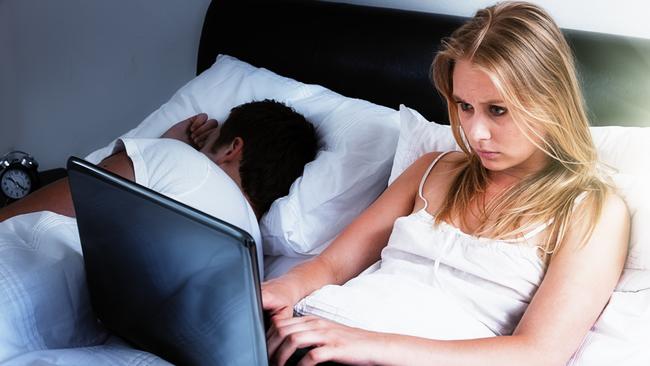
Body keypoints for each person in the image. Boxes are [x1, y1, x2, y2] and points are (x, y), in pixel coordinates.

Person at [262, 2, 630, 365]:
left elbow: (537, 353)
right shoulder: (431, 170)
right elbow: (332, 265)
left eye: (497, 110)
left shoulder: (592, 212)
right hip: (319, 333)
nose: (475, 132)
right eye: (464, 106)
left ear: (550, 101)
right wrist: (282, 289)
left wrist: (368, 344)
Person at [0, 99, 318, 252]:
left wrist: (163, 144)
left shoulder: (173, 156)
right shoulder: (253, 256)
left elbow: (27, 214)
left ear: (233, 147)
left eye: (212, 137)